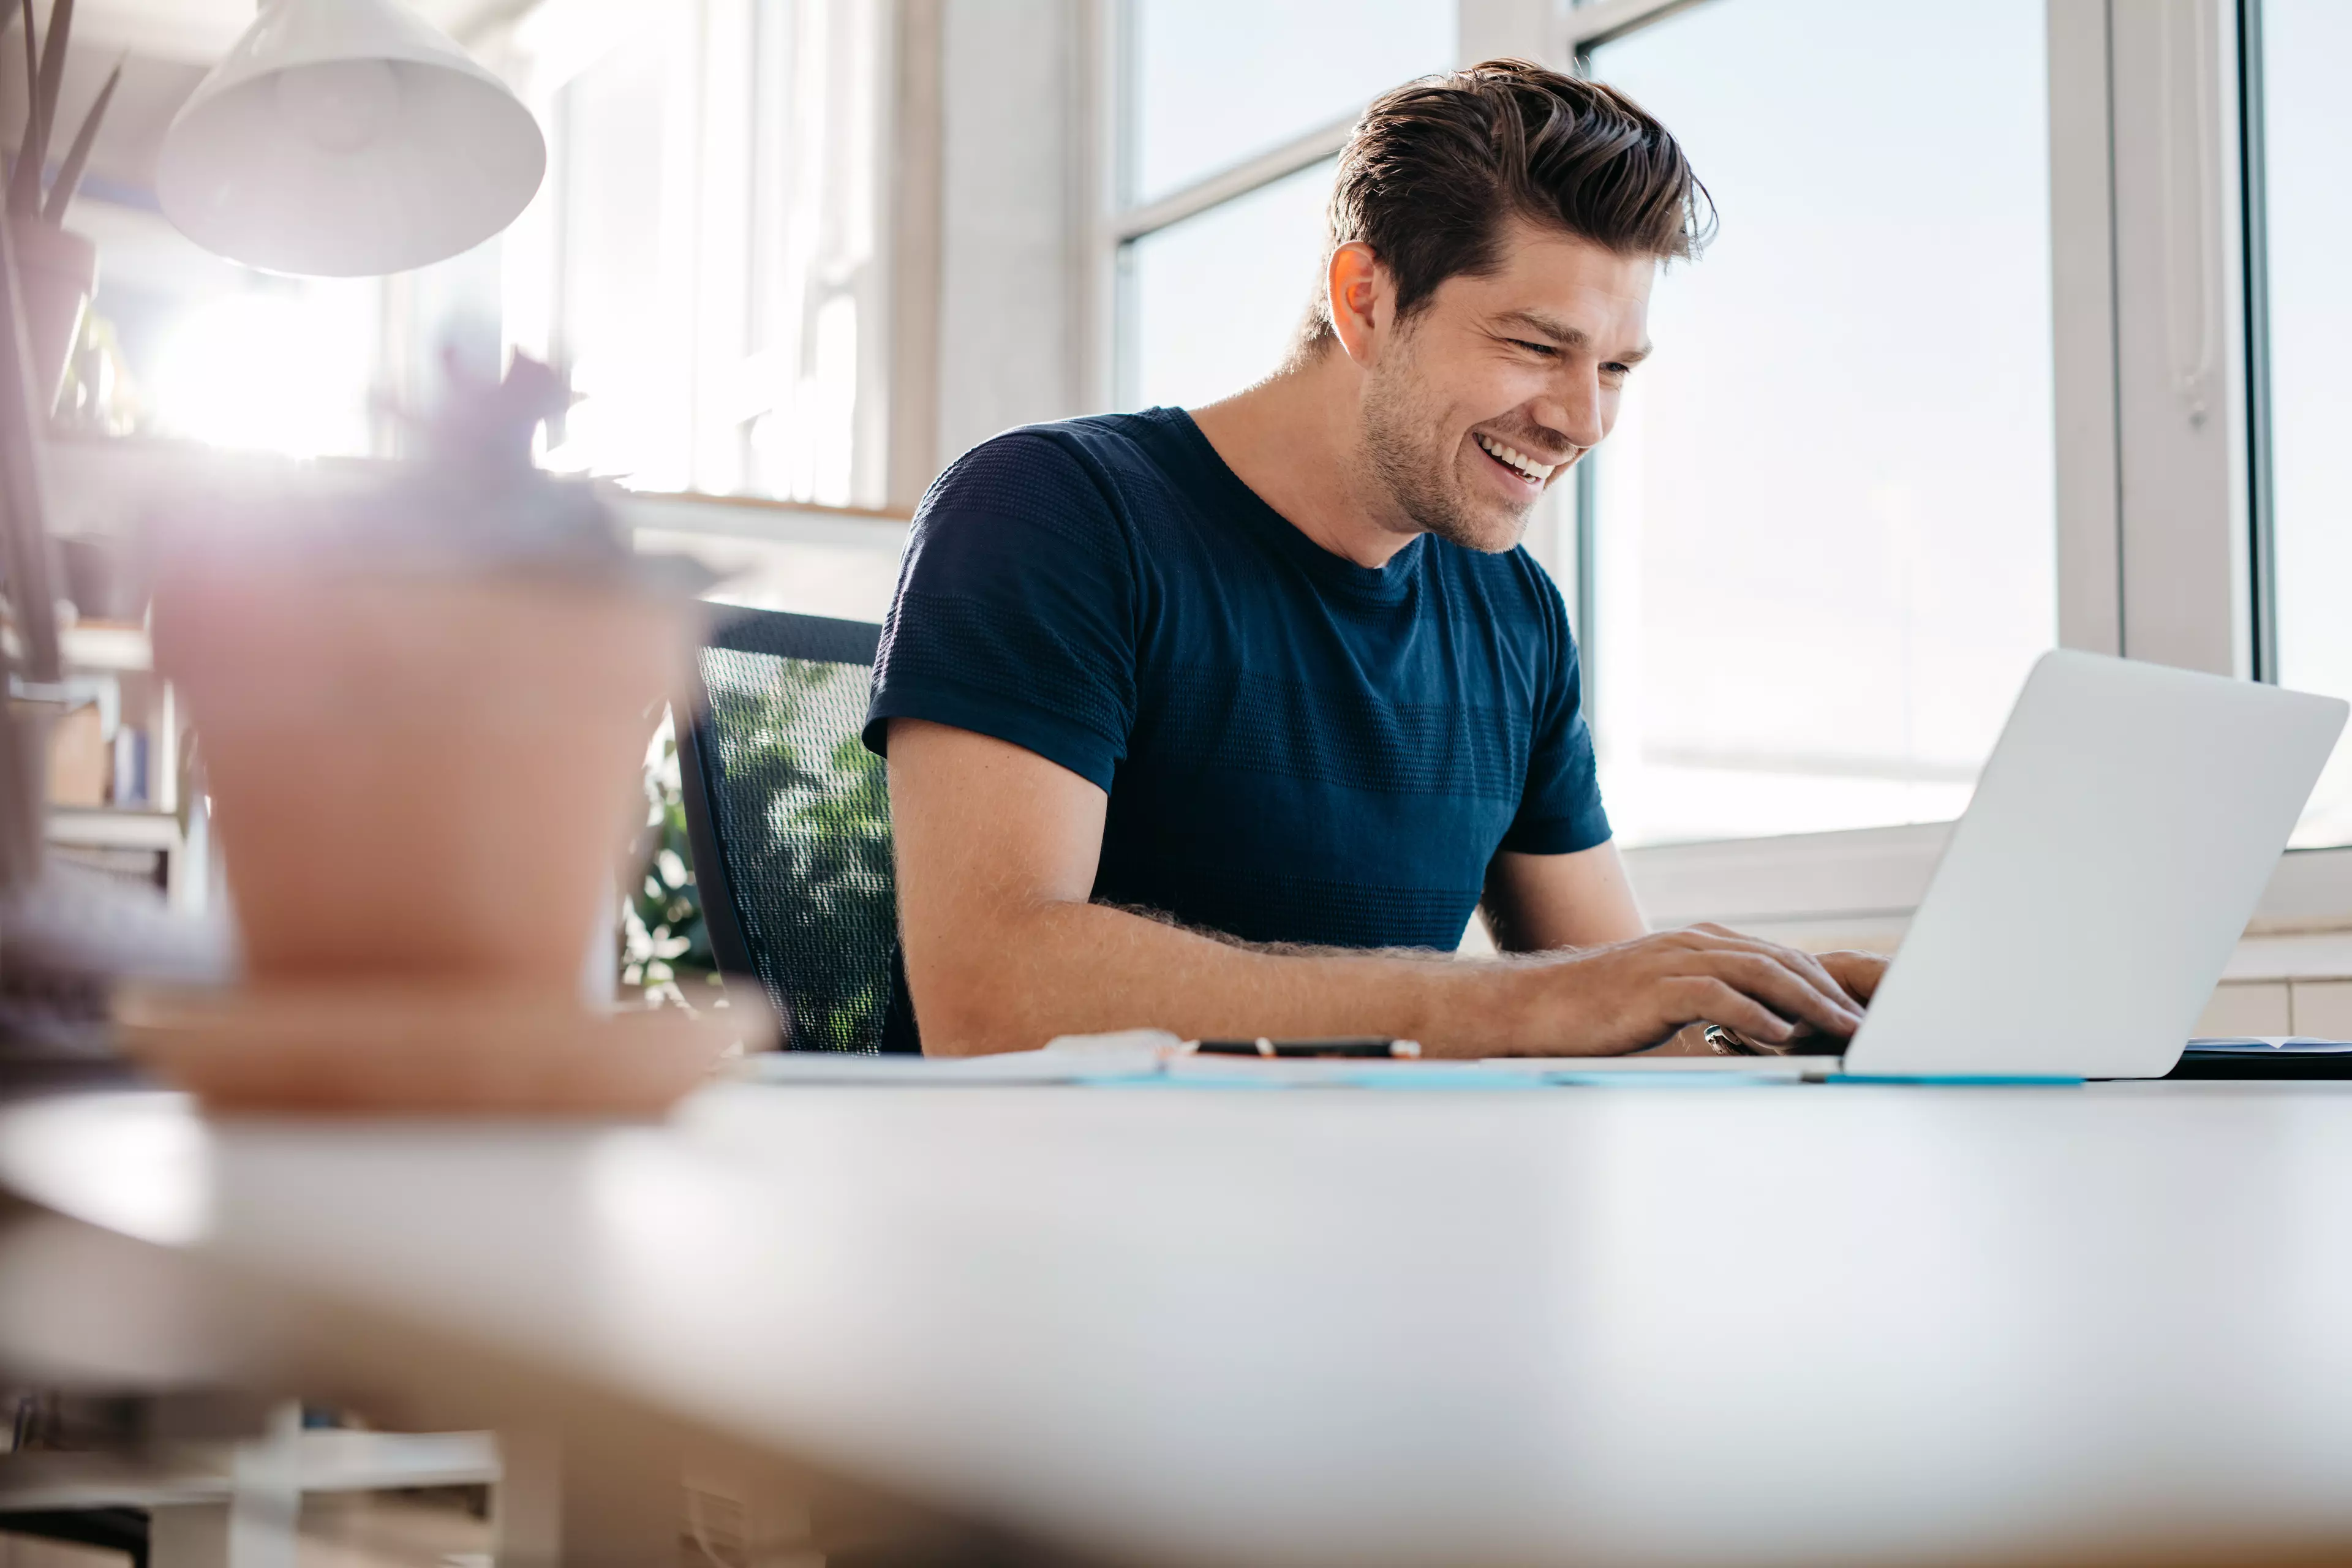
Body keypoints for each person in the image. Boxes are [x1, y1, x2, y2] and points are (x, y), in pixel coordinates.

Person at [864, 59, 1883, 1057]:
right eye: (1536, 346)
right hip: (1058, 1211)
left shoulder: (1514, 612)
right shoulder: (1055, 512)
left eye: (1615, 367)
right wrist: (1499, 1008)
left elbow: (1605, 1004)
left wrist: (1787, 1017)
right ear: (1365, 301)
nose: (1585, 418)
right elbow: (985, 997)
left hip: (1366, 1203)